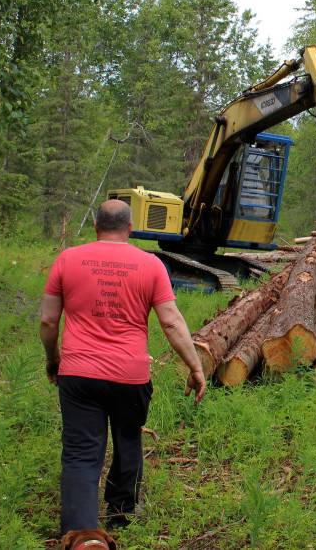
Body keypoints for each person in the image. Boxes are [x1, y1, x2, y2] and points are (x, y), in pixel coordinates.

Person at [39, 199, 206, 535]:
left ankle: (81, 535)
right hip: (130, 375)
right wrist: (196, 367)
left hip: (79, 373)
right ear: (130, 229)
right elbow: (171, 323)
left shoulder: (67, 259)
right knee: (128, 439)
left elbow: (47, 319)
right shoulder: (151, 264)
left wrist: (53, 359)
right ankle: (121, 515)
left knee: (81, 454)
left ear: (96, 227)